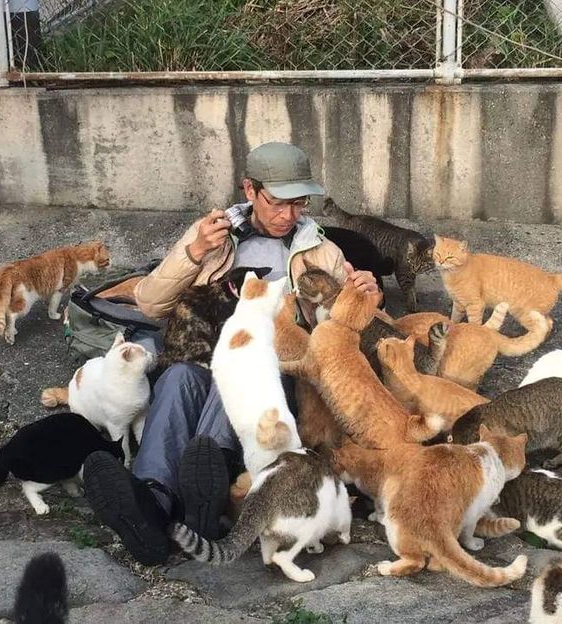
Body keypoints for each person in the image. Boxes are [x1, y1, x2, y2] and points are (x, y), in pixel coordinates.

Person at [83, 141, 378, 564]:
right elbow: (149, 303)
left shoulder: (322, 250)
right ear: (249, 190)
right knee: (179, 377)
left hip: (269, 369)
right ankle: (152, 506)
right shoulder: (213, 235)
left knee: (241, 375)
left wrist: (369, 297)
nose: (289, 215)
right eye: (277, 202)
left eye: (299, 204)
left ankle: (203, 487)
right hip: (203, 355)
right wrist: (193, 253)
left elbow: (346, 332)